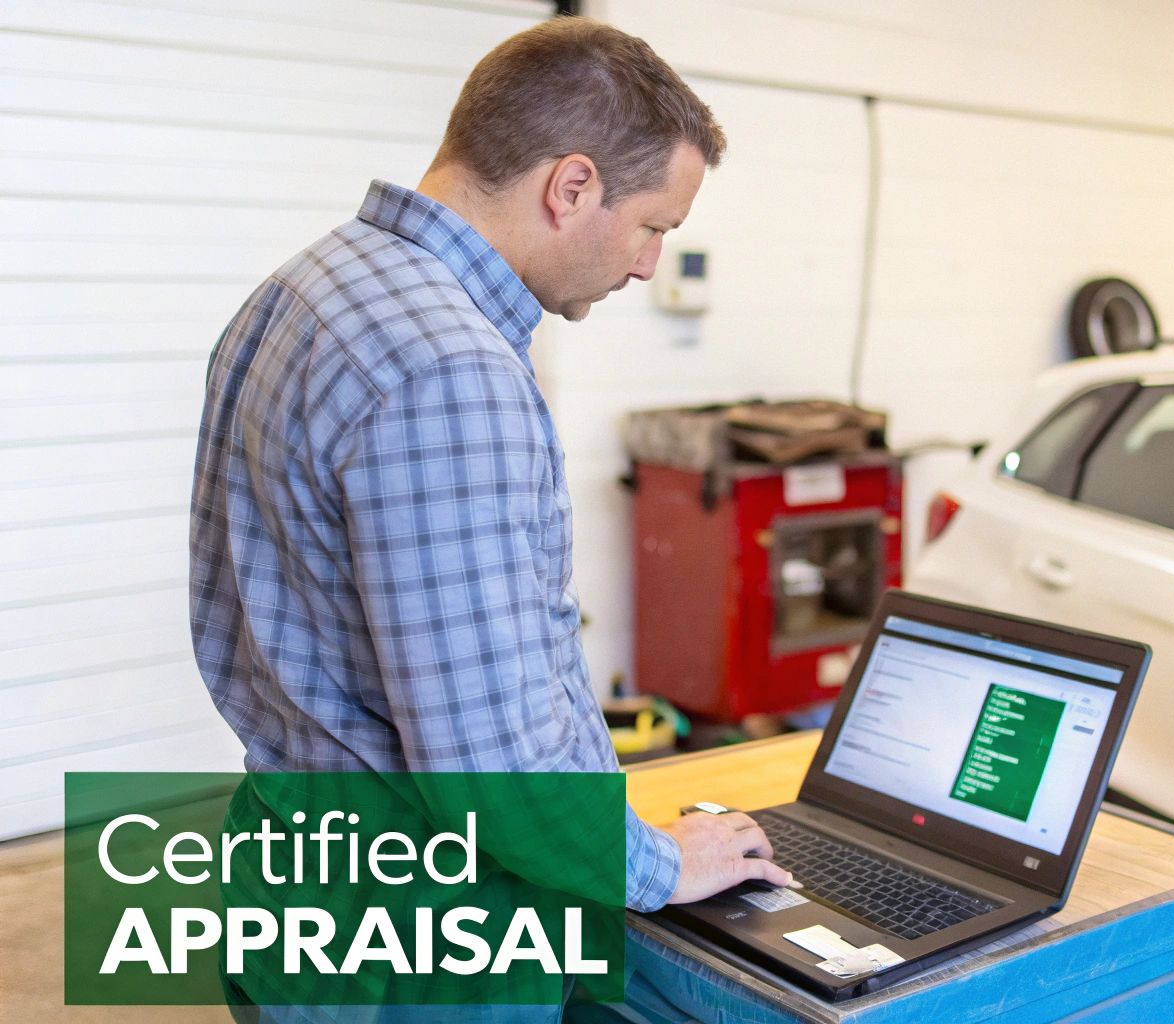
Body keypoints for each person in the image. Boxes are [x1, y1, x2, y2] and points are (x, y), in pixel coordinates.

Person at [188, 14, 788, 960]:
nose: (647, 263)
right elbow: (496, 774)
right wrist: (665, 866)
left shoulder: (305, 287)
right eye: (652, 227)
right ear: (572, 185)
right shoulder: (448, 371)